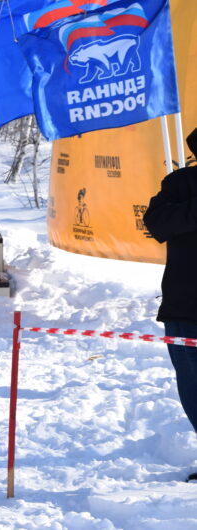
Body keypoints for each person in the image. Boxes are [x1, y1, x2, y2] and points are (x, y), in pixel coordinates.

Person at [143, 128, 197, 481]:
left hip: (182, 305)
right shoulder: (179, 183)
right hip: (184, 304)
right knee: (192, 386)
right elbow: (156, 223)